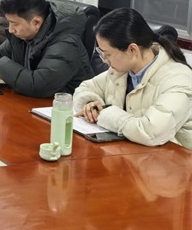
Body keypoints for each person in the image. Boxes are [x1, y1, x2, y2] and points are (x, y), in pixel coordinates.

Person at [73, 8, 192, 149]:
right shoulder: (121, 70)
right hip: (133, 153)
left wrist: (103, 114)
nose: (104, 60)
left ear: (132, 50)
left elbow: (150, 133)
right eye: (101, 53)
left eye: (107, 54)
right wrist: (91, 104)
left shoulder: (178, 80)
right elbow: (85, 88)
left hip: (176, 158)